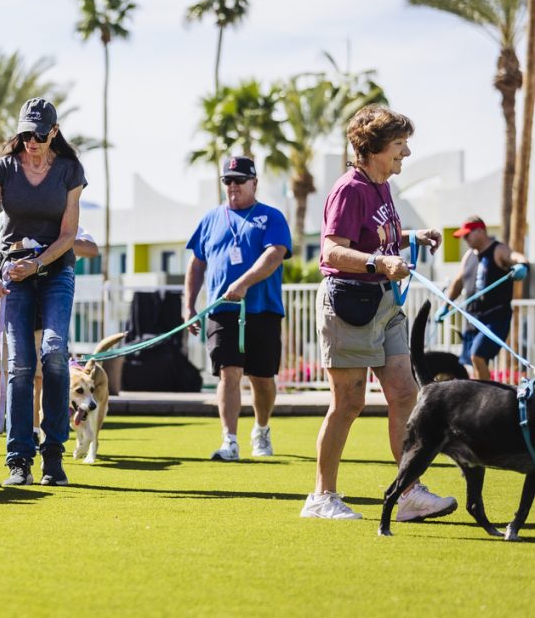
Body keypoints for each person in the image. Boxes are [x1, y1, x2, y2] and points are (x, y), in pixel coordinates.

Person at [303, 104, 456, 520]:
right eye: (399, 144)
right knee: (348, 402)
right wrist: (379, 263)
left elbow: (377, 236)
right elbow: (332, 250)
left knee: (406, 393)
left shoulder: (382, 186)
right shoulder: (349, 189)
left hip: (384, 303)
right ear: (372, 148)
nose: (406, 153)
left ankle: (408, 493)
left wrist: (411, 237)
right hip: (348, 303)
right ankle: (321, 497)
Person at [0, 97, 86, 487]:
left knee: (54, 352)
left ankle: (53, 456)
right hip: (13, 275)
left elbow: (68, 235)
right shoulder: (2, 169)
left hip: (56, 271)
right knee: (20, 364)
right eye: (26, 134)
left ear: (54, 132)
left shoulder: (70, 170)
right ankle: (19, 460)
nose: (32, 142)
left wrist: (37, 263)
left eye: (40, 135)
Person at [183, 155, 292, 462]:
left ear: (254, 183)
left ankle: (262, 428)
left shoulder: (271, 217)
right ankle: (229, 440)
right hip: (222, 312)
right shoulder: (211, 219)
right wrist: (188, 305)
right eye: (227, 181)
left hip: (263, 309)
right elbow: (197, 262)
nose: (233, 186)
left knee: (262, 378)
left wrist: (244, 282)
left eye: (240, 180)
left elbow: (275, 254)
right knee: (228, 373)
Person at [0, 227, 99, 435]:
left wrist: (59, 243)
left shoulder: (62, 222)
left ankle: (34, 431)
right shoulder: (4, 220)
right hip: (7, 310)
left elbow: (91, 249)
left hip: (44, 313)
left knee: (38, 377)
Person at [444, 215, 528, 380]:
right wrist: (444, 306)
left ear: (480, 231)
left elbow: (515, 256)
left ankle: (485, 395)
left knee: (477, 355)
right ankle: (478, 393)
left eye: (467, 235)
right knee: (471, 363)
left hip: (495, 318)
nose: (465, 239)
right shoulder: (469, 255)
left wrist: (522, 265)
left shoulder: (498, 249)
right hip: (472, 318)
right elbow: (458, 282)